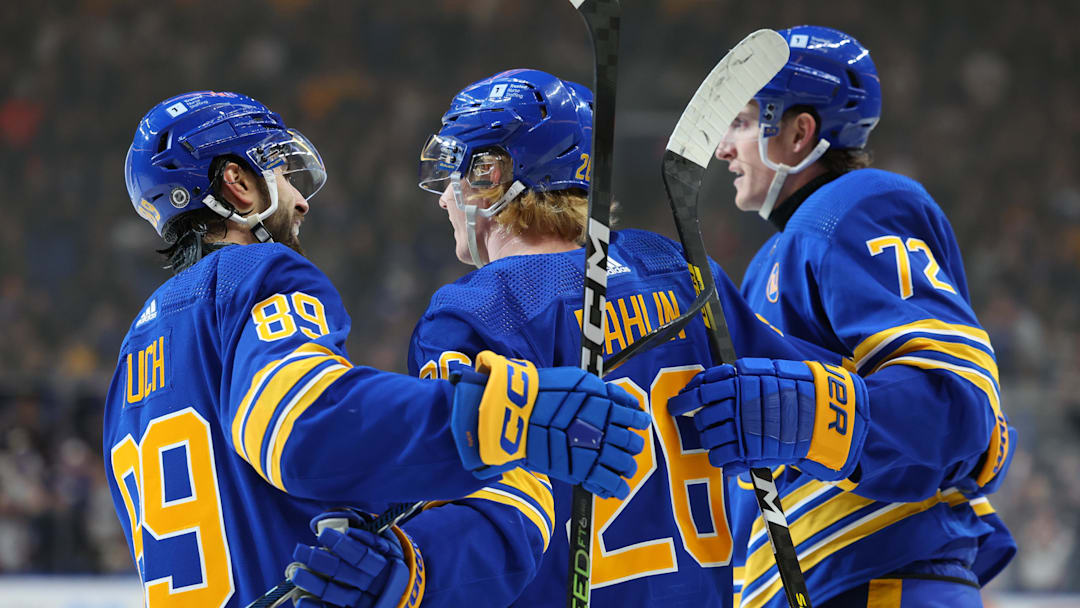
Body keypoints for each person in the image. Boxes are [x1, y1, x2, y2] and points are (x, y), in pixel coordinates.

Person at [104, 90, 651, 608]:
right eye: (281, 173)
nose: (300, 202)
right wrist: (496, 416)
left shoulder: (131, 362)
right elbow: (299, 426)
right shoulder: (258, 272)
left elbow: (248, 505)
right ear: (237, 183)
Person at [400, 69, 867, 606]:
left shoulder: (473, 312)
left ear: (492, 174)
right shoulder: (681, 268)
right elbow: (837, 413)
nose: (443, 200)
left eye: (456, 175)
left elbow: (466, 513)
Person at [668, 26, 1018, 608]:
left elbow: (955, 404)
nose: (725, 149)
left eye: (745, 122)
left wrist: (808, 414)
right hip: (821, 584)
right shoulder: (768, 265)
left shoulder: (848, 208)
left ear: (800, 132)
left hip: (880, 578)